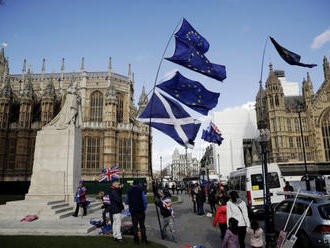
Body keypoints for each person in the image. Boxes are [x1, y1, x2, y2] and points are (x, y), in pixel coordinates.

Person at [125, 180, 148, 245]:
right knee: (142, 225)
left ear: (133, 184)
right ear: (138, 184)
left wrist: (132, 202)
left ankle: (136, 240)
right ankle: (144, 240)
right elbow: (144, 201)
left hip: (133, 211)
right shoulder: (141, 190)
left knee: (135, 226)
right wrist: (144, 208)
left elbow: (126, 201)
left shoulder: (129, 191)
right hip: (140, 210)